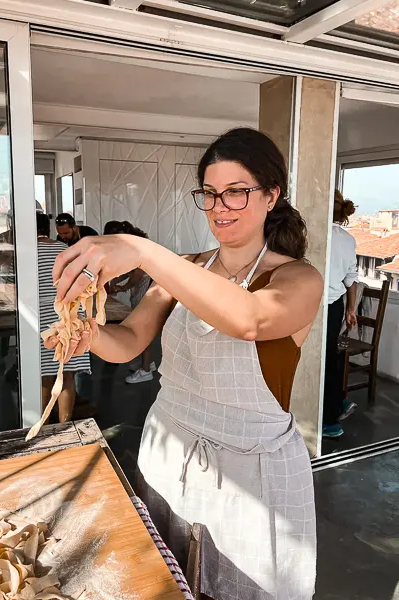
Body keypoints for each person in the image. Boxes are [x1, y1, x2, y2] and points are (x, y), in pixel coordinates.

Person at [50, 128, 323, 600]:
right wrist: (89, 334)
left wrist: (141, 250)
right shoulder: (187, 265)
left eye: (237, 192)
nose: (220, 207)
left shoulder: (297, 277)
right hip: (169, 449)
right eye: (211, 194)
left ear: (271, 195)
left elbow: (249, 320)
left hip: (249, 475)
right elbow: (131, 340)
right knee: (167, 581)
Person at [37, 212, 91, 423]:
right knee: (66, 372)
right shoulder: (65, 251)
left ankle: (43, 424)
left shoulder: (24, 254)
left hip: (39, 315)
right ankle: (64, 425)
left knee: (43, 375)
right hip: (67, 313)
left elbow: (9, 288)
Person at [323, 190, 358, 438]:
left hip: (312, 305)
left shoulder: (312, 235)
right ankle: (337, 405)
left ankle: (328, 418)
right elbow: (351, 280)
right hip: (334, 307)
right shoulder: (347, 240)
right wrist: (351, 310)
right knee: (330, 359)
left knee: (318, 363)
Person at [104, 220, 155, 383]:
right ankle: (147, 363)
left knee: (142, 330)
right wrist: (113, 278)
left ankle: (146, 371)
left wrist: (119, 288)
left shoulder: (137, 246)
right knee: (141, 328)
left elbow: (136, 276)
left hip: (147, 291)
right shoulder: (130, 244)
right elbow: (127, 271)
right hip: (141, 290)